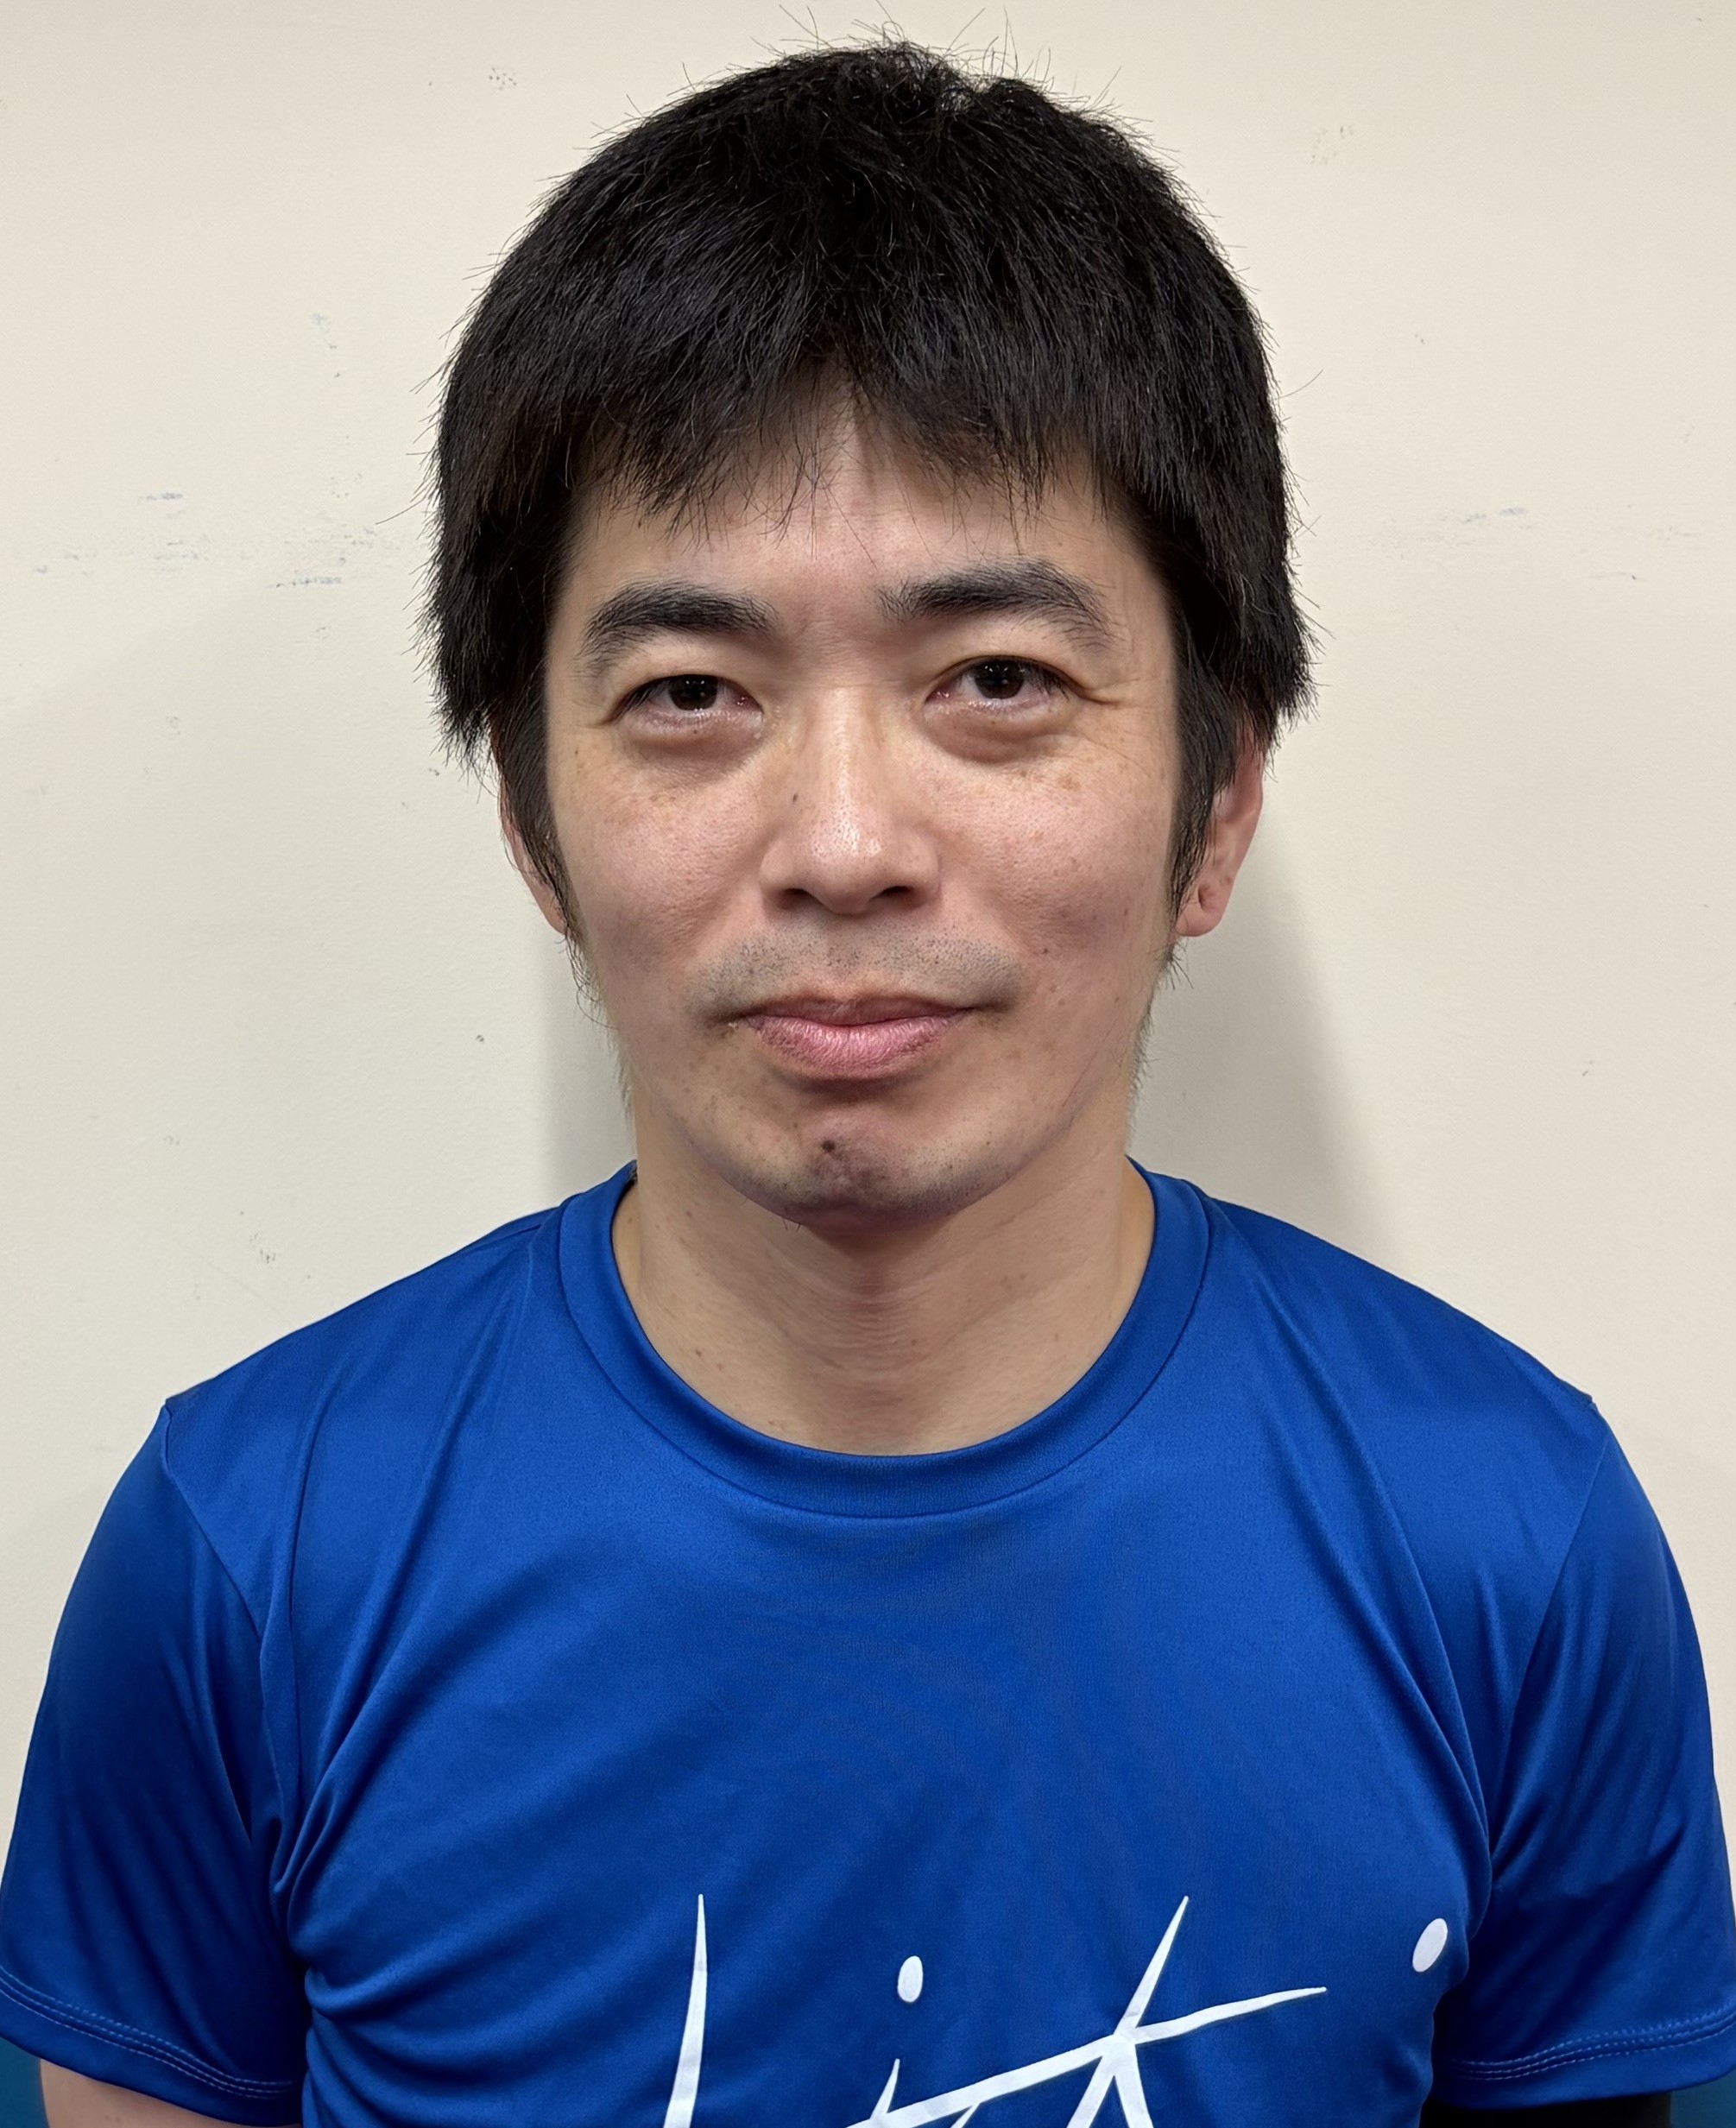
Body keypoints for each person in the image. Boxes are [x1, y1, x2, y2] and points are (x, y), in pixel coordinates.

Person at [1, 39, 1731, 2128]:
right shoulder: (253, 1552)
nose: (841, 840)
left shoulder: (1510, 1542)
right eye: (690, 692)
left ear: (1214, 806)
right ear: (533, 826)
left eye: (996, 680)